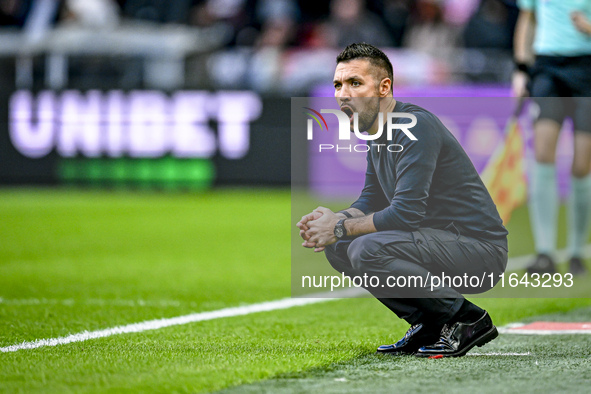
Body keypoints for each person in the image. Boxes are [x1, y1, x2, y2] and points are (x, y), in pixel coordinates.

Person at [296, 43, 508, 357]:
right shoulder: (377, 131)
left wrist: (341, 227)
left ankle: (467, 318)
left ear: (384, 87)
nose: (343, 93)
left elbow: (405, 214)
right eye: (338, 85)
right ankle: (429, 324)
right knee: (340, 246)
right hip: (437, 242)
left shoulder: (415, 127)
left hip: (478, 250)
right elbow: (372, 198)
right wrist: (334, 221)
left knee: (367, 248)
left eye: (355, 83)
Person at [513, 0, 591, 275]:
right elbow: (527, 20)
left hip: (587, 68)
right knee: (543, 152)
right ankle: (544, 252)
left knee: (583, 163)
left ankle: (576, 251)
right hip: (548, 68)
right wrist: (521, 69)